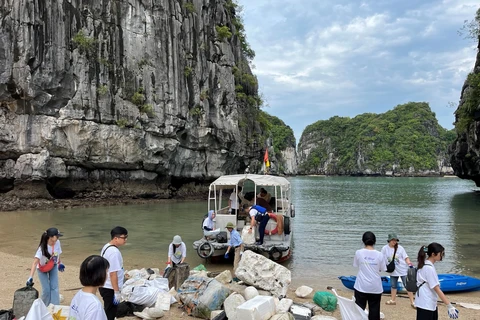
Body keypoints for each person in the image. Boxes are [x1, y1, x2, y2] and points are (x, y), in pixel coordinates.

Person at [416, 243, 459, 320]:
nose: (442, 255)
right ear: (433, 254)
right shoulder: (429, 268)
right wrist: (449, 305)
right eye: (441, 253)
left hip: (424, 302)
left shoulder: (424, 264)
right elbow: (437, 289)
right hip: (426, 303)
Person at [26, 227, 65, 306]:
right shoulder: (42, 248)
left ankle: (55, 307)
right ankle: (43, 306)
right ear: (50, 237)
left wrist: (60, 263)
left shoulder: (57, 242)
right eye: (56, 236)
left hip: (53, 266)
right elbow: (35, 263)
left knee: (54, 288)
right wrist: (30, 277)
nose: (57, 238)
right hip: (42, 269)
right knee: (46, 290)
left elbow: (57, 253)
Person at [353, 231, 387, 320]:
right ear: (374, 241)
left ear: (363, 241)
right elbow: (383, 268)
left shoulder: (358, 253)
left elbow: (356, 265)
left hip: (361, 286)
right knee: (374, 311)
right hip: (375, 287)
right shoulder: (380, 254)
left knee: (359, 310)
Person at [99, 226, 128, 320]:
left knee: (108, 310)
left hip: (104, 284)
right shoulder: (114, 252)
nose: (125, 240)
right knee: (110, 312)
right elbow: (113, 274)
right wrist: (116, 292)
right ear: (116, 238)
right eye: (124, 238)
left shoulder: (107, 246)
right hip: (109, 287)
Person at [69, 255, 110, 320]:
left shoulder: (79, 295)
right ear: (99, 275)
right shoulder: (95, 305)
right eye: (106, 272)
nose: (107, 276)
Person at [381, 233, 415, 308]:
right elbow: (381, 259)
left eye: (395, 240)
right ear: (389, 240)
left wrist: (410, 265)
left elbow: (406, 257)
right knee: (393, 285)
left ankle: (412, 302)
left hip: (403, 270)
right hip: (393, 271)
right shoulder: (384, 249)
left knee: (407, 286)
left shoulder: (400, 248)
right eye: (392, 240)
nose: (394, 242)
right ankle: (393, 300)